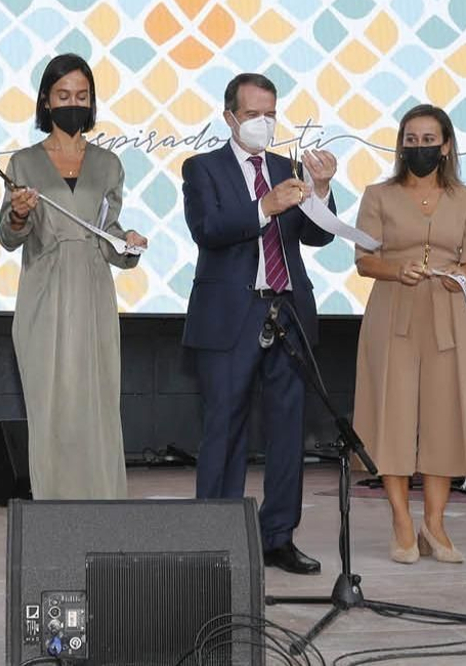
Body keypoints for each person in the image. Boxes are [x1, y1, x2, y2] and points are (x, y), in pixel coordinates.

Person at [181, 73, 339, 575]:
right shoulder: (201, 168)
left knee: (288, 432)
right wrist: (263, 208)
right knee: (224, 427)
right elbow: (207, 230)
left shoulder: (285, 167)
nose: (263, 123)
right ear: (229, 117)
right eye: (252, 114)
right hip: (231, 313)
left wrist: (322, 189)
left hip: (288, 311)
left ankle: (277, 537)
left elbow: (317, 237)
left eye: (270, 113)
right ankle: (215, 539)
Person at [0, 54, 148, 500]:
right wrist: (19, 213)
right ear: (46, 101)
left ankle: (102, 506)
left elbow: (107, 234)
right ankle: (53, 511)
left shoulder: (108, 164)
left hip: (93, 292)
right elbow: (8, 236)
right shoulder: (23, 162)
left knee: (96, 404)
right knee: (50, 406)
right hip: (44, 293)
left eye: (81, 96)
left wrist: (129, 243)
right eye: (63, 95)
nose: (73, 103)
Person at [352, 104, 466, 565]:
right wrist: (395, 268)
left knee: (443, 419)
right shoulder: (378, 195)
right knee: (391, 417)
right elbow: (364, 260)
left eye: (428, 140)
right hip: (393, 311)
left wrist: (458, 273)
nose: (419, 148)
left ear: (446, 145)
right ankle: (401, 521)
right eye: (410, 140)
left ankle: (435, 523)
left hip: (448, 312)